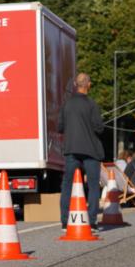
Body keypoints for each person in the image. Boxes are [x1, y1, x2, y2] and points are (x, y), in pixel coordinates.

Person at [57, 73, 105, 232]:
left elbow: (60, 127)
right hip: (91, 150)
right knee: (92, 186)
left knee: (67, 185)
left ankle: (65, 222)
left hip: (71, 149)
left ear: (75, 85)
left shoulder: (66, 105)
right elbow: (99, 128)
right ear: (88, 85)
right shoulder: (92, 105)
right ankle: (91, 223)